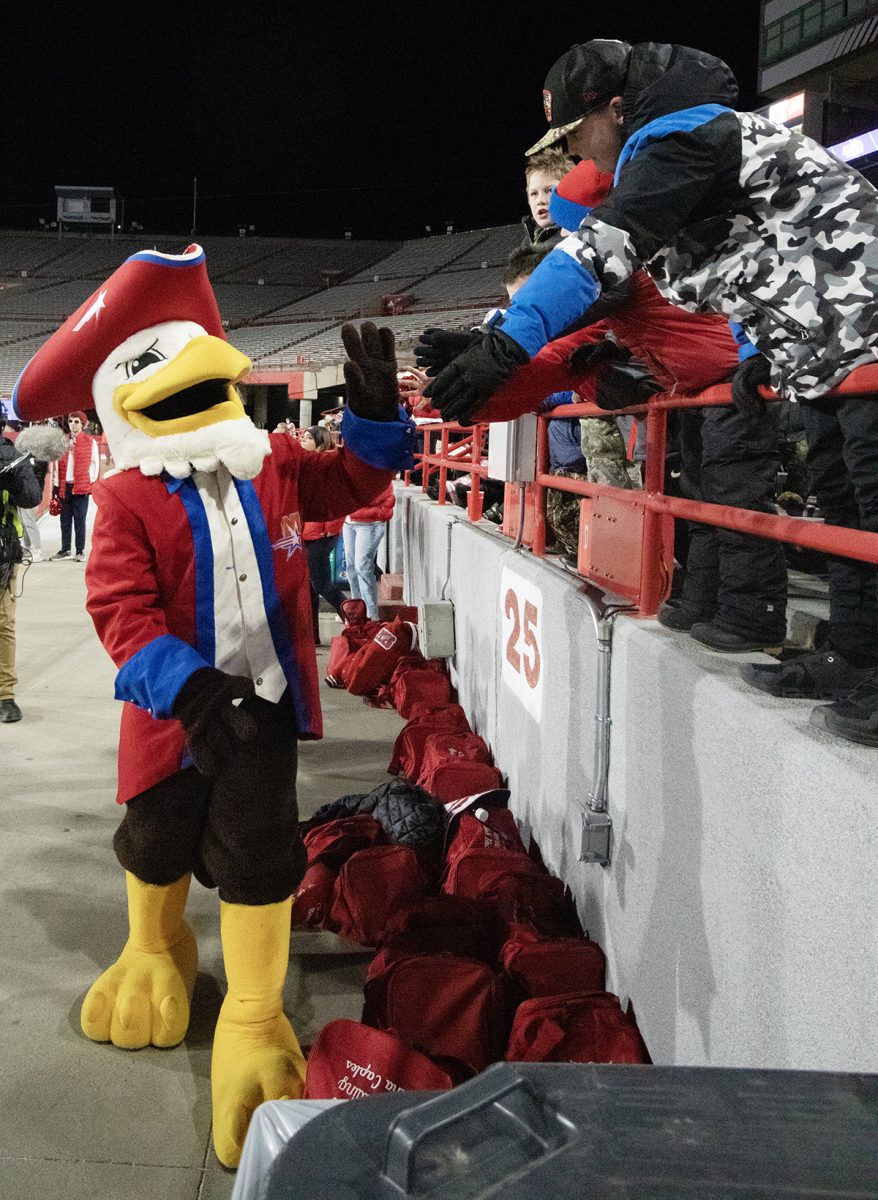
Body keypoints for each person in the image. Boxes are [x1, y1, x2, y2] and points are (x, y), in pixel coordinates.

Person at [425, 39, 878, 743]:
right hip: (829, 347)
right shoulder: (684, 146)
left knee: (871, 499)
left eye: (577, 134)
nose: (578, 154)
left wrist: (507, 342)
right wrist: (762, 350)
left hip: (865, 337)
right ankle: (857, 655)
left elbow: (601, 254)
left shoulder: (683, 136)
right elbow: (758, 257)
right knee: (843, 501)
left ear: (614, 107)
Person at [0, 410, 42, 722]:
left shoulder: (11, 455)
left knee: (3, 624)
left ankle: (5, 695)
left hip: (4, 555)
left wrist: (13, 479)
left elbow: (31, 498)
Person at [301, 425, 349, 643]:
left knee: (322, 585)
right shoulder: (311, 462)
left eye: (308, 437)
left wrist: (329, 529)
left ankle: (355, 621)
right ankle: (311, 635)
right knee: (309, 587)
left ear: (320, 440)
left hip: (320, 534)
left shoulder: (328, 464)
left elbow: (335, 501)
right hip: (309, 532)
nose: (303, 440)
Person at [51, 410, 99, 561]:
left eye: (76, 422)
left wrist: (89, 481)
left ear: (83, 424)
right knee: (65, 520)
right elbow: (57, 465)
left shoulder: (90, 441)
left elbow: (95, 464)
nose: (73, 424)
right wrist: (56, 486)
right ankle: (65, 549)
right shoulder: (63, 441)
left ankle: (79, 551)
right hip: (65, 486)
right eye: (71, 421)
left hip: (81, 487)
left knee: (80, 520)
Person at [343, 483, 395, 621]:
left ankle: (372, 613)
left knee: (362, 566)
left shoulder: (379, 474)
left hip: (370, 525)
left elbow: (378, 500)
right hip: (348, 523)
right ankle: (357, 609)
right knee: (351, 567)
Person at [521, 148, 573, 248]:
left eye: (549, 191)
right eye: (534, 193)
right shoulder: (528, 241)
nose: (540, 201)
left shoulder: (574, 238)